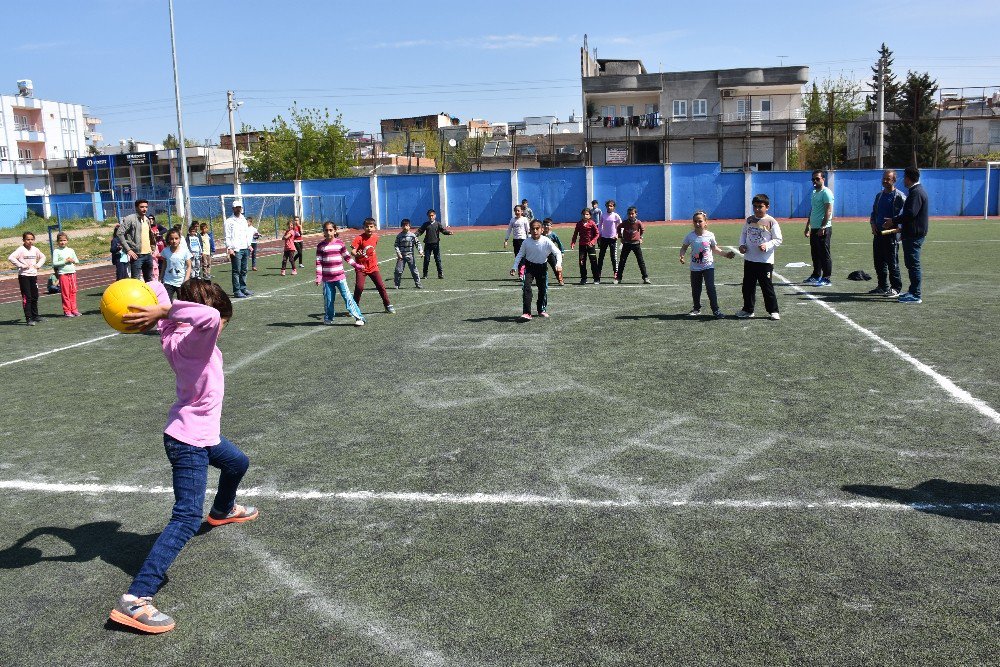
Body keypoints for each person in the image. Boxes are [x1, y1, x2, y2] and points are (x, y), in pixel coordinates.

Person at [108, 279, 258, 635]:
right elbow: (206, 316)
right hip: (189, 441)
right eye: (224, 322)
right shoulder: (195, 340)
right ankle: (136, 599)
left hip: (201, 434)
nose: (221, 328)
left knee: (237, 463)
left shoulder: (171, 331)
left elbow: (157, 286)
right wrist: (166, 307)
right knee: (188, 517)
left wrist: (155, 298)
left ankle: (222, 510)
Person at [679, 211, 735, 318]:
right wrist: (681, 256)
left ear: (705, 222)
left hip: (708, 266)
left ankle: (716, 310)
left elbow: (715, 249)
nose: (697, 223)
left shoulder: (710, 235)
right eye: (695, 221)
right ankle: (696, 308)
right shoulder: (690, 236)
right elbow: (684, 247)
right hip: (695, 267)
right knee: (696, 288)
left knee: (710, 287)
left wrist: (726, 254)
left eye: (700, 221)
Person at [886, 165, 929, 304]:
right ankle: (912, 291)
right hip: (911, 233)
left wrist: (894, 221)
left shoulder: (916, 192)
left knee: (913, 264)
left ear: (909, 178)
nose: (903, 180)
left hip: (914, 235)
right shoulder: (915, 191)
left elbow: (910, 214)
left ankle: (916, 294)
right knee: (911, 264)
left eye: (904, 177)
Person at [736, 193, 783, 320]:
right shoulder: (749, 220)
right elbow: (743, 234)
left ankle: (773, 311)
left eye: (760, 207)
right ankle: (748, 310)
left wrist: (767, 245)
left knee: (766, 287)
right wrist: (742, 245)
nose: (757, 209)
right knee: (747, 287)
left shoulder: (771, 221)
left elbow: (778, 239)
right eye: (755, 206)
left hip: (765, 261)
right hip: (750, 259)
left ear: (767, 207)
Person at [316, 221, 365, 326]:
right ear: (323, 231)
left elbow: (347, 258)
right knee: (328, 300)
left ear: (335, 231)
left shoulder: (340, 244)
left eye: (331, 230)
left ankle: (358, 317)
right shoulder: (320, 246)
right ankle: (329, 317)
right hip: (327, 280)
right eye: (326, 230)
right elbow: (319, 262)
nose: (328, 232)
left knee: (348, 298)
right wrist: (319, 276)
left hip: (340, 278)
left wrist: (357, 265)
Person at [511, 219, 561, 320]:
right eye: (533, 229)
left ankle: (541, 310)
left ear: (542, 230)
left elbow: (557, 252)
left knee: (542, 289)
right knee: (526, 288)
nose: (535, 231)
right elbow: (520, 255)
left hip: (542, 268)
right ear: (530, 230)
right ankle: (527, 313)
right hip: (529, 268)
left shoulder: (546, 241)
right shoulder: (526, 242)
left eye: (537, 228)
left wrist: (558, 264)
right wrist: (514, 267)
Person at [869, 169, 906, 297]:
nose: (885, 181)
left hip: (891, 235)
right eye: (884, 178)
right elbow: (874, 213)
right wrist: (873, 224)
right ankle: (882, 286)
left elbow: (907, 214)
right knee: (878, 262)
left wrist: (900, 228)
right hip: (878, 234)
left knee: (892, 262)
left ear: (894, 180)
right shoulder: (879, 196)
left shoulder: (900, 196)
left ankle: (896, 288)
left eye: (888, 179)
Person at [352, 217, 395, 314]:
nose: (369, 228)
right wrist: (356, 254)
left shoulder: (375, 237)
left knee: (381, 286)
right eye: (367, 226)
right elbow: (353, 251)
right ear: (363, 227)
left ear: (375, 227)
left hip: (373, 267)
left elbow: (372, 249)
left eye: (371, 226)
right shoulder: (359, 238)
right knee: (359, 287)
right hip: (361, 268)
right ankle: (355, 306)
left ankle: (387, 305)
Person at [8, 231, 46, 325]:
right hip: (24, 276)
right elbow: (11, 257)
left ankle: (35, 316)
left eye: (32, 239)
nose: (30, 241)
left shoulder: (35, 249)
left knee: (35, 296)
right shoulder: (21, 249)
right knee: (27, 297)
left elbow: (43, 257)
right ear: (23, 240)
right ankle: (28, 318)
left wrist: (38, 265)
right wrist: (21, 265)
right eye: (27, 239)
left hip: (33, 276)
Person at [804, 170, 834, 286]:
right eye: (813, 179)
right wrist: (808, 226)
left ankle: (826, 278)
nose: (815, 181)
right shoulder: (814, 193)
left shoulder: (826, 192)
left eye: (817, 179)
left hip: (823, 228)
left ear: (823, 179)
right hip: (814, 227)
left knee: (824, 253)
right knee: (815, 253)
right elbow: (813, 210)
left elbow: (828, 211)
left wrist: (823, 226)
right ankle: (816, 275)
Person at [116, 199, 157, 282]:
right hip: (137, 255)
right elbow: (119, 233)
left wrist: (152, 247)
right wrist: (128, 250)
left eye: (146, 207)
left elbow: (148, 235)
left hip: (148, 254)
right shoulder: (130, 219)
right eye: (142, 207)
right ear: (136, 208)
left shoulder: (147, 220)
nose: (144, 209)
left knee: (149, 280)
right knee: (136, 280)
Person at [224, 200, 253, 298]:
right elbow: (227, 236)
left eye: (239, 207)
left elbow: (246, 233)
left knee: (244, 269)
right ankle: (237, 291)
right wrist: (229, 248)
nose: (238, 209)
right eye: (236, 207)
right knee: (236, 270)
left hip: (245, 247)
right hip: (236, 249)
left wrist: (249, 244)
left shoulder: (244, 220)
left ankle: (243, 288)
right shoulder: (229, 221)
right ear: (233, 208)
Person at [616, 206, 650, 284]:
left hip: (636, 244)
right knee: (622, 261)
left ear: (636, 214)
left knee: (640, 261)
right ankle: (618, 278)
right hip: (626, 244)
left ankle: (645, 278)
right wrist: (621, 237)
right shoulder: (625, 222)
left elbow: (642, 230)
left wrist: (640, 237)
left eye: (632, 214)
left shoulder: (638, 222)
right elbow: (618, 228)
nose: (631, 215)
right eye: (629, 214)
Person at [52, 232, 82, 317]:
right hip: (63, 274)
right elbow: (54, 263)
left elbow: (77, 261)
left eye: (64, 240)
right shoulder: (56, 251)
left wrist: (72, 260)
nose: (63, 242)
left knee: (73, 292)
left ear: (67, 241)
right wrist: (65, 261)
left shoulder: (71, 250)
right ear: (57, 242)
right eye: (60, 240)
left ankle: (74, 310)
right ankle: (67, 310)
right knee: (65, 293)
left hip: (72, 273)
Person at [417, 209, 453, 279]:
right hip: (427, 244)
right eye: (429, 216)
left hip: (436, 244)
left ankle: (440, 274)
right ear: (428, 216)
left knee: (437, 259)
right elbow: (420, 231)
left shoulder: (438, 224)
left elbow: (443, 231)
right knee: (426, 259)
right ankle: (425, 274)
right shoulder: (425, 224)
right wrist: (415, 235)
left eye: (432, 215)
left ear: (435, 216)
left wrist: (448, 232)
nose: (431, 217)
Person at [160, 229, 193, 302]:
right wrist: (160, 278)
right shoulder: (165, 251)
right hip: (168, 281)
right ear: (168, 239)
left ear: (180, 239)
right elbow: (164, 265)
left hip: (181, 282)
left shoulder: (185, 251)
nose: (174, 241)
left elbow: (189, 266)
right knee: (167, 302)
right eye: (171, 239)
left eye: (176, 238)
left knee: (183, 302)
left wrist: (186, 280)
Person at [570, 208, 599, 284]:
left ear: (590, 215)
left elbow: (597, 234)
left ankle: (596, 278)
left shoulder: (592, 223)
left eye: (587, 214)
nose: (585, 216)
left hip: (591, 246)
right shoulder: (579, 224)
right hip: (582, 246)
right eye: (583, 214)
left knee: (593, 262)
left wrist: (592, 242)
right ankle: (583, 278)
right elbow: (575, 234)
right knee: (582, 262)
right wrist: (573, 242)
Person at [393, 218, 424, 289]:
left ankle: (418, 284)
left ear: (409, 226)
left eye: (406, 225)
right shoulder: (399, 236)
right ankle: (397, 284)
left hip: (410, 256)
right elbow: (396, 245)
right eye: (403, 226)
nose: (405, 227)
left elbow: (418, 244)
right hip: (401, 257)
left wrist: (421, 251)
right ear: (401, 227)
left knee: (414, 271)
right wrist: (398, 253)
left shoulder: (412, 235)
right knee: (398, 271)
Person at [596, 199, 620, 283]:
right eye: (608, 206)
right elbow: (599, 225)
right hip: (604, 238)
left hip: (613, 239)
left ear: (614, 207)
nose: (609, 207)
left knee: (613, 257)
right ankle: (598, 273)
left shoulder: (616, 216)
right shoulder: (603, 215)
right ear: (606, 206)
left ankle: (616, 273)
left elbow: (620, 226)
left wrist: (617, 235)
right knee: (601, 256)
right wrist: (599, 234)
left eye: (611, 206)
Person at [504, 205, 531, 280]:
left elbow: (528, 230)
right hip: (515, 241)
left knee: (523, 257)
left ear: (522, 211)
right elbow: (509, 230)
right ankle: (520, 273)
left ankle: (522, 274)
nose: (517, 212)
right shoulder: (513, 220)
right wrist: (506, 240)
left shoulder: (524, 219)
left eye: (518, 210)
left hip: (523, 240)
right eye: (515, 211)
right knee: (517, 257)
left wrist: (529, 239)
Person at [541, 218, 565, 286]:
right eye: (544, 225)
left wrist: (562, 252)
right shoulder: (540, 234)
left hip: (551, 254)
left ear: (551, 226)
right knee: (542, 268)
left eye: (548, 225)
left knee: (556, 267)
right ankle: (543, 281)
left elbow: (559, 243)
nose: (546, 226)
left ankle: (560, 280)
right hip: (542, 254)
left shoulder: (553, 235)